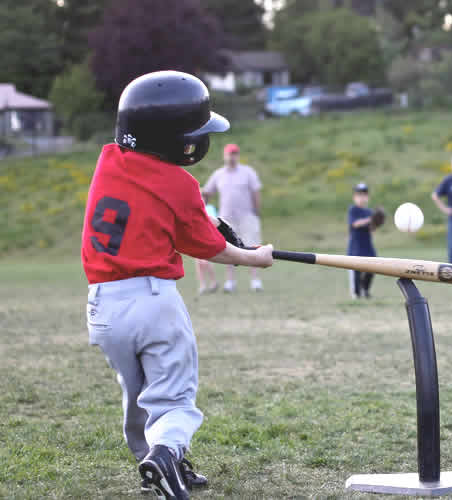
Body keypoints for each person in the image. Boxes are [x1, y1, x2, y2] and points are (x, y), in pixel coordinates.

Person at [82, 71, 274, 500]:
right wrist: (254, 257)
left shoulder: (109, 161)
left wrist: (204, 221)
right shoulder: (179, 183)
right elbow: (211, 249)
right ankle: (167, 453)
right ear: (172, 139)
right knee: (173, 396)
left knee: (139, 393)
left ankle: (159, 461)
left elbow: (153, 205)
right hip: (152, 302)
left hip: (103, 308)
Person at [202, 143, 264, 292]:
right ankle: (230, 282)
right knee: (228, 248)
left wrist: (256, 211)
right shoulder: (219, 174)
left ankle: (255, 280)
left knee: (252, 247)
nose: (232, 157)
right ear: (225, 156)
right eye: (230, 154)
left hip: (246, 216)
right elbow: (207, 192)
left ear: (238, 156)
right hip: (226, 218)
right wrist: (202, 207)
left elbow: (256, 192)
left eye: (235, 154)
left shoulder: (248, 172)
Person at [348, 183, 379, 298]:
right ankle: (356, 294)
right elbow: (355, 224)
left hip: (367, 246)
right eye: (359, 195)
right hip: (356, 246)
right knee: (356, 271)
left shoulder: (369, 212)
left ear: (367, 197)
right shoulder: (353, 210)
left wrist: (376, 223)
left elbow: (372, 230)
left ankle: (365, 289)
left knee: (374, 266)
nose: (361, 197)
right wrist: (369, 219)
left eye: (364, 195)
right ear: (354, 197)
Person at [195, 196, 219, 294]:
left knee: (206, 262)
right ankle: (202, 285)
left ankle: (213, 281)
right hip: (197, 238)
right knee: (198, 263)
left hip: (207, 238)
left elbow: (213, 222)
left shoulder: (209, 209)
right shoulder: (195, 208)